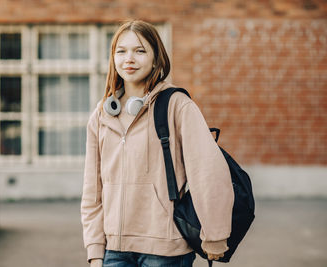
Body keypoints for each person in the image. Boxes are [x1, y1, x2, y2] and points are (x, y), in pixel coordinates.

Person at [81, 20, 234, 267]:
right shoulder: (101, 116)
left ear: (156, 59)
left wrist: (215, 235)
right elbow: (93, 189)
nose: (129, 58)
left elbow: (208, 171)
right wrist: (95, 249)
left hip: (166, 250)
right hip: (115, 251)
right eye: (121, 51)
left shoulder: (177, 106)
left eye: (139, 50)